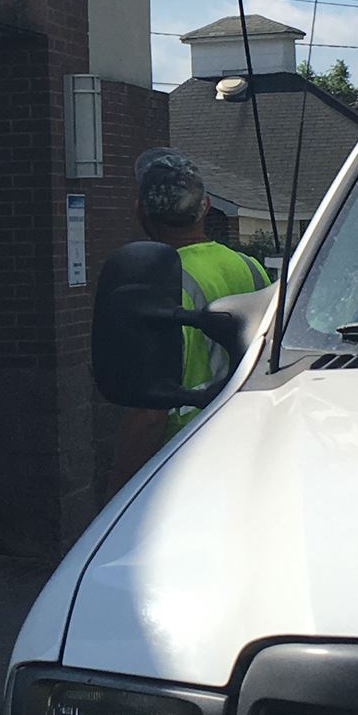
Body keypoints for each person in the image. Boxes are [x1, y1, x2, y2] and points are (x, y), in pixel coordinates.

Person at [105, 150, 271, 497]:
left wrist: (115, 498)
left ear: (139, 211)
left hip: (181, 463)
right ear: (206, 206)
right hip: (248, 445)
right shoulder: (251, 267)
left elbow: (149, 414)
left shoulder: (155, 287)